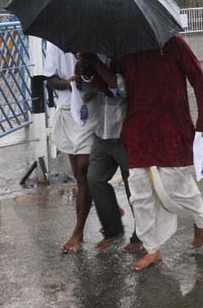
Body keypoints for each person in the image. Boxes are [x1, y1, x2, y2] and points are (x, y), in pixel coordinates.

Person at [115, 35, 203, 272]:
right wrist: (89, 68)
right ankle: (152, 249)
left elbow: (198, 79)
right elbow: (113, 85)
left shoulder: (175, 44)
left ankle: (200, 220)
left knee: (179, 186)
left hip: (172, 127)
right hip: (138, 129)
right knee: (139, 194)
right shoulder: (124, 49)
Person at [78, 53, 143, 253]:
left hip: (125, 131)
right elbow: (86, 93)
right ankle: (113, 229)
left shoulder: (126, 55)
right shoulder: (90, 53)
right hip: (101, 131)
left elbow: (122, 89)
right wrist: (83, 74)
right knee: (94, 178)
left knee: (134, 186)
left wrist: (97, 65)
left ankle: (140, 235)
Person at [44, 41, 97, 254]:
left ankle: (78, 231)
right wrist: (70, 84)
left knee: (84, 172)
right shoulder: (54, 43)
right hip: (66, 111)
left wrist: (87, 80)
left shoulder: (95, 39)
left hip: (90, 111)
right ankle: (106, 206)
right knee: (79, 175)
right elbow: (50, 78)